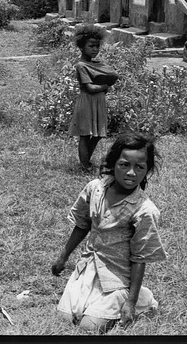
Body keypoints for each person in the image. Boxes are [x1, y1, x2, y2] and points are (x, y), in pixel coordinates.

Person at [52, 132, 167, 333]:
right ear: (113, 163)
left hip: (117, 278)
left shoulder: (144, 210)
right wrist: (63, 257)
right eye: (124, 165)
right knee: (64, 318)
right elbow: (82, 225)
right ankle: (90, 298)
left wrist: (130, 304)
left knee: (89, 327)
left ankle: (141, 299)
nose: (131, 173)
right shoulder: (95, 189)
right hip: (89, 267)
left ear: (147, 171)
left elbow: (140, 258)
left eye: (139, 167)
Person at [68, 24, 119, 171]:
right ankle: (84, 165)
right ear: (81, 47)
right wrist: (104, 86)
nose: (95, 49)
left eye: (97, 46)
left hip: (99, 101)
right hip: (87, 101)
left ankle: (86, 161)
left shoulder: (96, 64)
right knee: (85, 135)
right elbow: (90, 88)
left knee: (97, 134)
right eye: (91, 46)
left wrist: (105, 83)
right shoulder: (81, 66)